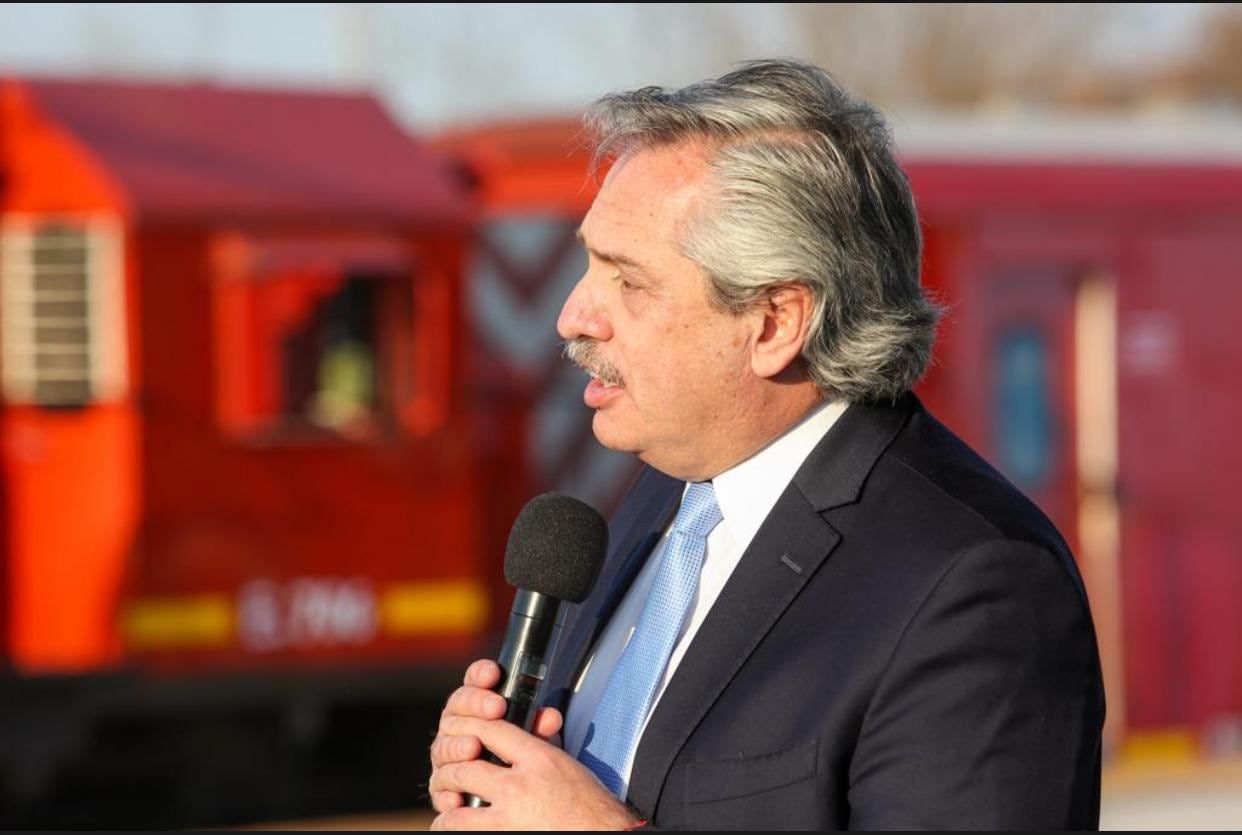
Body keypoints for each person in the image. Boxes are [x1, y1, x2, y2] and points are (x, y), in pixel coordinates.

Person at [429, 59, 1105, 830]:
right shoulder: (665, 494)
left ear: (776, 323)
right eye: (588, 263)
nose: (574, 315)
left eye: (629, 282)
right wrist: (511, 777)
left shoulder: (976, 584)